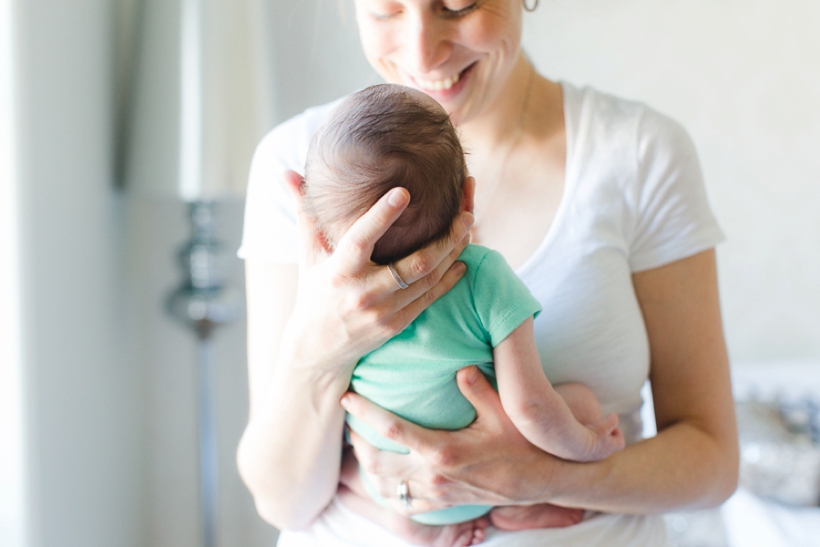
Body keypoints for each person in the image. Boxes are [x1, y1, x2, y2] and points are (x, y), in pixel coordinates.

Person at [236, 1, 739, 546]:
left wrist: (538, 478)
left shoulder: (639, 154)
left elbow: (712, 464)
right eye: (385, 10)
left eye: (458, 4)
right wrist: (322, 346)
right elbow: (281, 499)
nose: (422, 50)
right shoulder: (297, 165)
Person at [298, 82, 624, 545]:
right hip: (489, 484)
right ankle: (519, 509)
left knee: (353, 446)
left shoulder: (341, 298)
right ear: (468, 201)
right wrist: (590, 445)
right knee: (580, 402)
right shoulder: (483, 275)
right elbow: (530, 407)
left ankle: (421, 528)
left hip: (387, 483)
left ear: (328, 238)